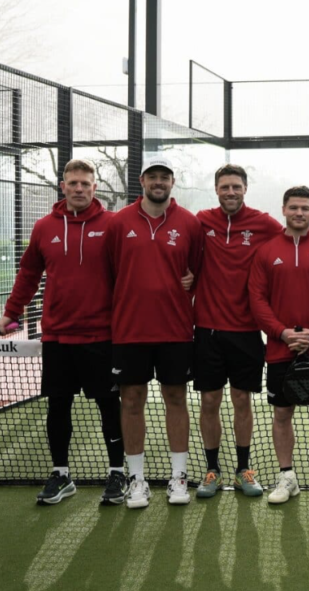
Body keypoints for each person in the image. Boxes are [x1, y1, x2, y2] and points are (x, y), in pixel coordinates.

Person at [192, 164, 309, 500]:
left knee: (242, 400)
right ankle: (212, 470)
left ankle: (245, 470)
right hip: (207, 329)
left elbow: (300, 230)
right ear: (216, 189)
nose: (231, 192)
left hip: (246, 332)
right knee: (210, 401)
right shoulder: (200, 221)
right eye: (225, 187)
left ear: (245, 189)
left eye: (236, 186)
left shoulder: (264, 224)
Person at [0, 159, 125, 505]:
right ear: (63, 186)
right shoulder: (43, 227)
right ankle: (61, 474)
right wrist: (11, 313)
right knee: (58, 406)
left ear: (94, 187)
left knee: (109, 406)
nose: (79, 188)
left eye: (85, 183)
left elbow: (133, 270)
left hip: (102, 337)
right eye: (73, 183)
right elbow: (28, 274)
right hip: (57, 337)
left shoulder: (113, 225)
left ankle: (117, 473)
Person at [105, 156, 204, 508]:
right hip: (129, 330)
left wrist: (190, 283)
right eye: (153, 176)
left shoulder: (190, 223)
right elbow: (109, 272)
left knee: (176, 398)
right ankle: (137, 481)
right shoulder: (119, 223)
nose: (158, 182)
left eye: (164, 177)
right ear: (142, 181)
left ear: (172, 182)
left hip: (176, 330)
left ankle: (179, 478)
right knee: (131, 401)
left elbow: (199, 271)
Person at [249, 185, 309, 504]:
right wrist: (282, 333)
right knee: (282, 413)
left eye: (305, 208)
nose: (299, 212)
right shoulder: (266, 251)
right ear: (283, 209)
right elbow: (257, 299)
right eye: (293, 207)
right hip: (281, 348)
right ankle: (287, 477)